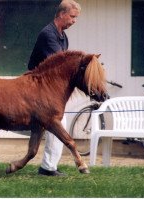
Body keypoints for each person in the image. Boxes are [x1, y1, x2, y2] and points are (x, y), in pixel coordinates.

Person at [28, 0, 81, 176]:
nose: (74, 21)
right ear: (61, 14)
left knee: (56, 123)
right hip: (35, 85)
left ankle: (49, 166)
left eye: (76, 18)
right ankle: (47, 167)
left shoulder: (63, 37)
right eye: (72, 17)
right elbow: (61, 64)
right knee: (57, 122)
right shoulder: (48, 34)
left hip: (46, 88)